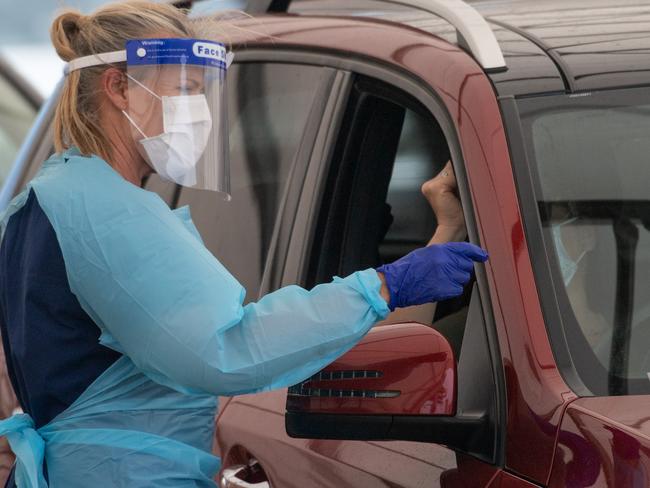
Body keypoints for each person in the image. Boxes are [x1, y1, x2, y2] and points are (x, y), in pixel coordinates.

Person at [0, 2, 487, 487]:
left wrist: (439, 238)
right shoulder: (103, 211)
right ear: (120, 87)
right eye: (186, 89)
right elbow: (226, 348)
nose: (201, 112)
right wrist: (382, 286)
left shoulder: (52, 196)